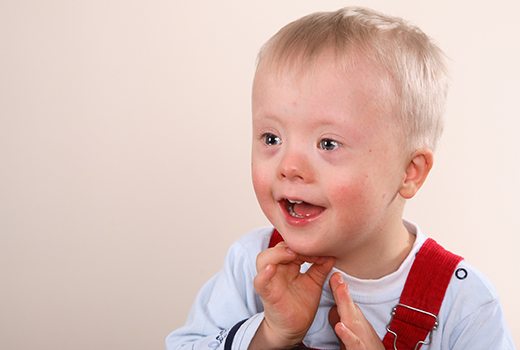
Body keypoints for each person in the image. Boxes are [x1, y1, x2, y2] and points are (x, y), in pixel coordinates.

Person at [166, 7, 515, 349]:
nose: (289, 166)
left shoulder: (464, 304)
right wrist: (269, 335)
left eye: (328, 143)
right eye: (272, 138)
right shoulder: (252, 265)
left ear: (409, 172)